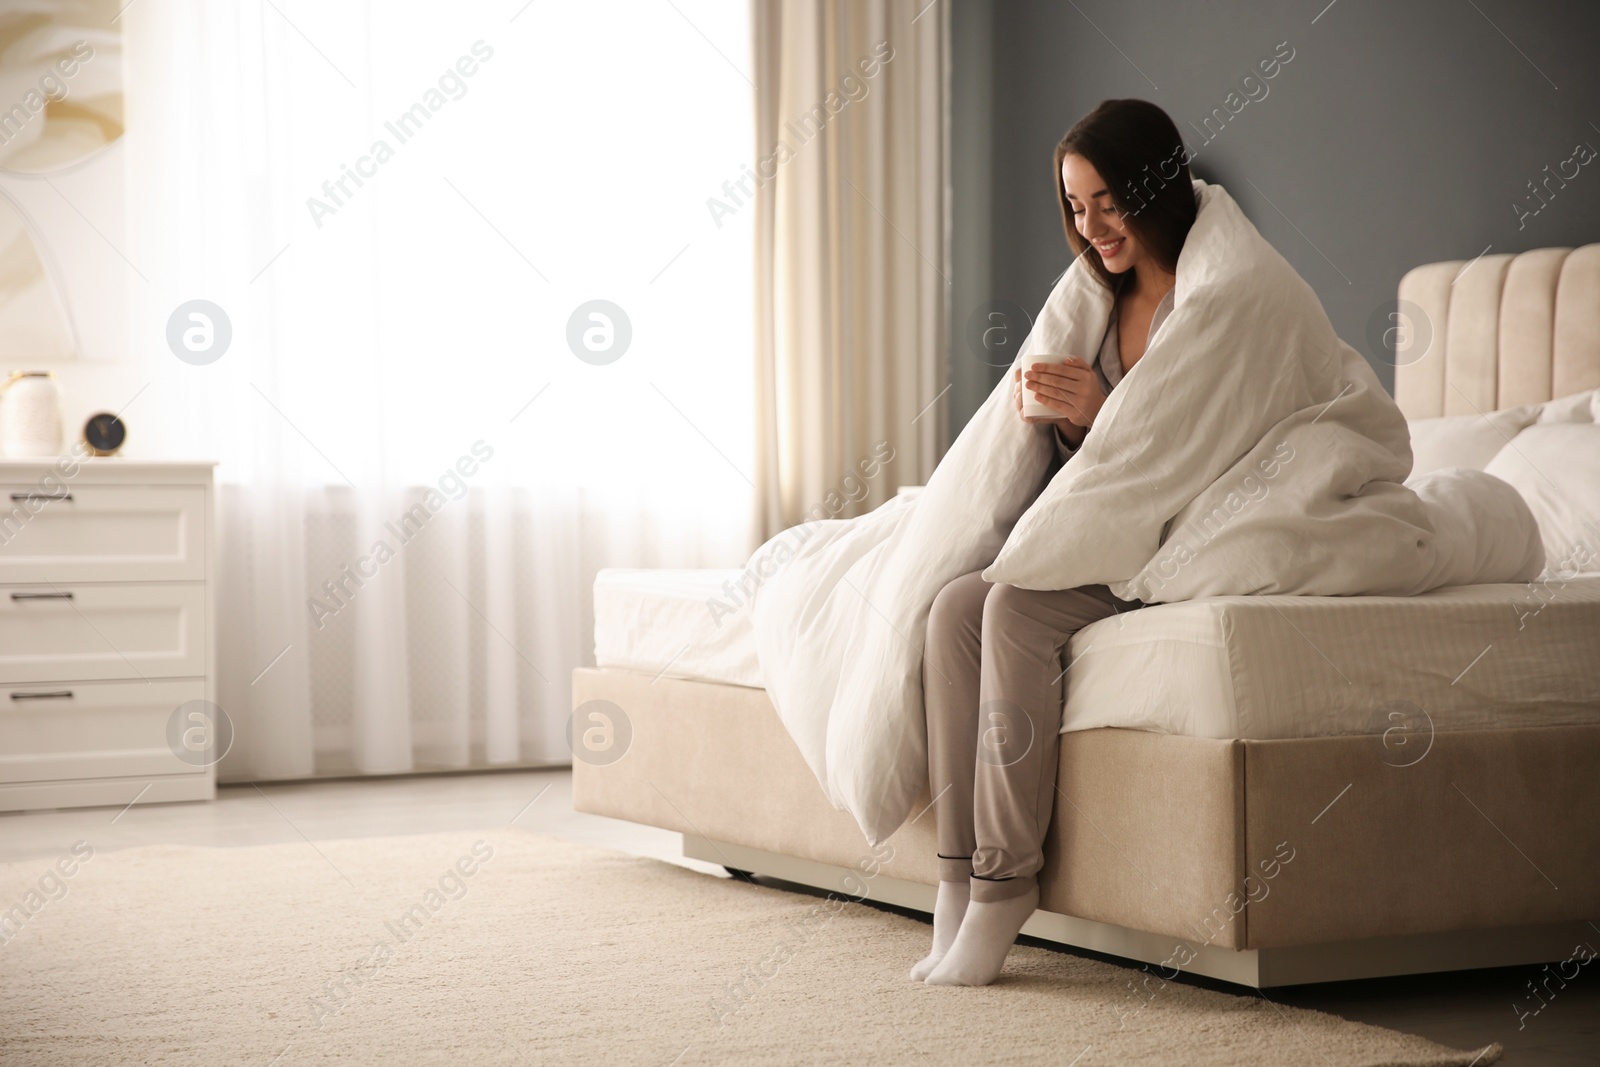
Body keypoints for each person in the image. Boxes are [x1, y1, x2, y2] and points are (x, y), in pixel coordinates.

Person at [915, 99, 1198, 986]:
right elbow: (1106, 465)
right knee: (955, 606)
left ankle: (1005, 885)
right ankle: (955, 878)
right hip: (1107, 531)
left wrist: (1102, 414)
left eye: (1109, 200)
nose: (1093, 226)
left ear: (1153, 188)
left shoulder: (1217, 300)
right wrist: (1067, 426)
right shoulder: (1103, 299)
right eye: (1076, 207)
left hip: (1179, 543)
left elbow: (1205, 454)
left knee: (1015, 607)